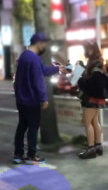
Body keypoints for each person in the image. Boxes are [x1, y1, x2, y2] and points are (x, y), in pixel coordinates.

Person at [12, 32, 68, 164]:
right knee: (33, 128)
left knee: (22, 126)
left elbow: (41, 70)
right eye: (44, 44)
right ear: (39, 43)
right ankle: (31, 155)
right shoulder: (35, 59)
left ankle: (18, 154)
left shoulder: (24, 56)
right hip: (31, 100)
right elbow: (38, 81)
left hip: (21, 100)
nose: (45, 46)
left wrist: (57, 69)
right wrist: (43, 98)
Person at [76, 41, 108, 159]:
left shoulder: (94, 63)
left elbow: (92, 83)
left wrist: (80, 79)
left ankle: (91, 149)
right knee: (94, 122)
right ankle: (98, 146)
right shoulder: (99, 62)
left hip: (91, 97)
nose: (84, 51)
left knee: (87, 123)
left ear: (91, 49)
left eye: (85, 48)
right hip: (97, 97)